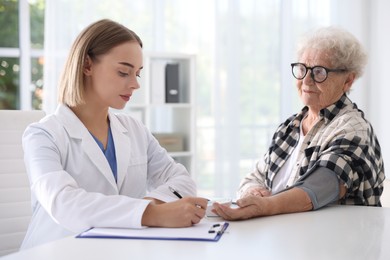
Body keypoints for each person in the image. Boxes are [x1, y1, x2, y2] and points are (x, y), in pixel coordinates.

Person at [21, 19, 207, 249]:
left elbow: (181, 179)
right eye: (123, 72)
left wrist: (148, 204)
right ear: (87, 65)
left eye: (137, 74)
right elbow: (64, 203)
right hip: (56, 251)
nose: (135, 84)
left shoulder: (134, 129)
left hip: (120, 250)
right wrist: (152, 214)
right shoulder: (42, 135)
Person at [213, 26, 385, 220]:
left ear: (348, 81)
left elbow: (318, 188)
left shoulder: (353, 129)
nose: (306, 80)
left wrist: (265, 206)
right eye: (302, 69)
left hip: (336, 245)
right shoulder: (290, 127)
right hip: (288, 241)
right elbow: (255, 176)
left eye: (319, 72)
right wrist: (254, 192)